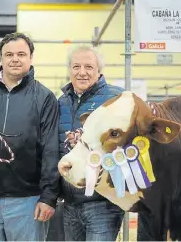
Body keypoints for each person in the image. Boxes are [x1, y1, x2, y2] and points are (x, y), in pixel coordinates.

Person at [0, 32, 60, 241]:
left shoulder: (44, 97)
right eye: (9, 54)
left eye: (21, 54)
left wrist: (48, 197)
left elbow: (51, 150)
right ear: (1, 58)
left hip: (27, 200)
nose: (15, 59)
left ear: (31, 58)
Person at [58, 45, 125, 241]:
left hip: (103, 203)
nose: (82, 72)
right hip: (69, 202)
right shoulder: (61, 102)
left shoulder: (117, 98)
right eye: (76, 66)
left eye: (88, 67)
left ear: (99, 70)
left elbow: (129, 143)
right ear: (70, 70)